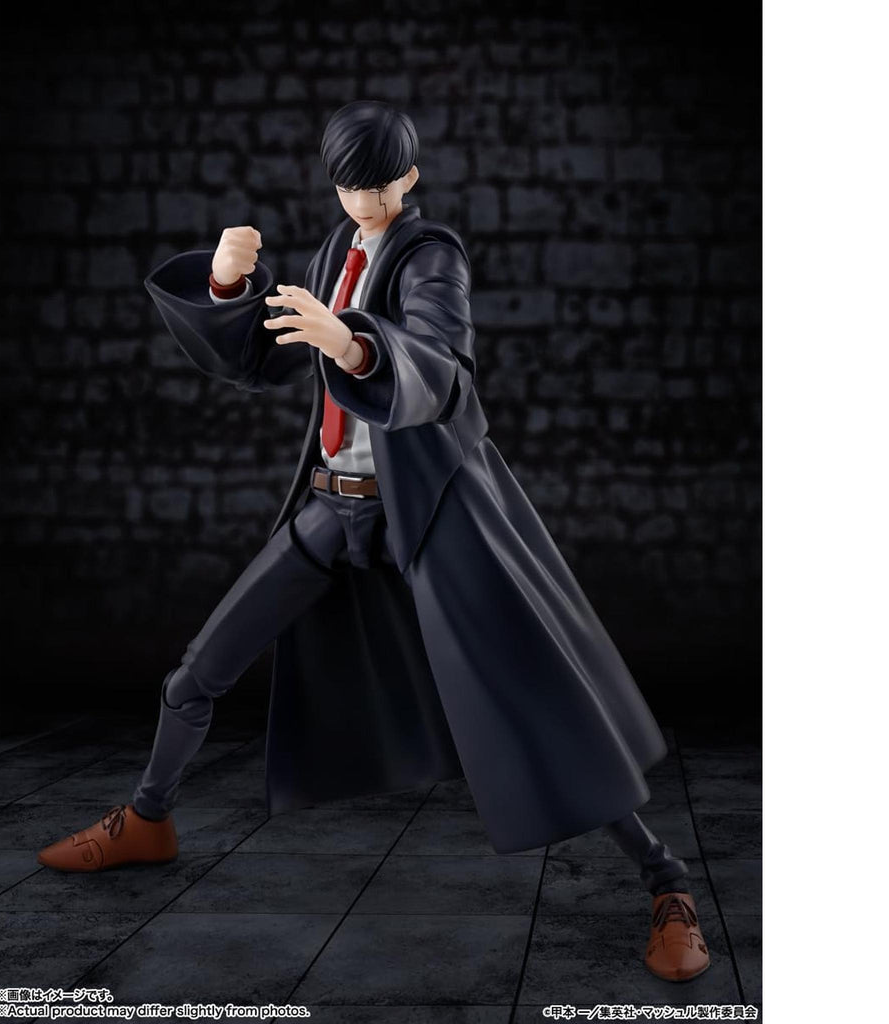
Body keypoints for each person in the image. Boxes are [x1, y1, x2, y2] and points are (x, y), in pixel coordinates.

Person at [37, 101, 710, 982]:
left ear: (410, 179)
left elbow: (442, 367)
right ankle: (147, 818)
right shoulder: (335, 251)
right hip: (331, 507)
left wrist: (353, 345)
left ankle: (667, 882)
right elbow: (267, 356)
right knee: (198, 671)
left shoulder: (432, 255)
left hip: (422, 515)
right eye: (348, 187)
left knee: (529, 698)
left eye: (377, 186)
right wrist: (230, 287)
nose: (362, 202)